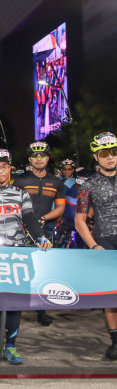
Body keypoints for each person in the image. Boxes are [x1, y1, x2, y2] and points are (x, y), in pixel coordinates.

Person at [0, 148, 52, 365]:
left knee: (15, 302)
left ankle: (10, 346)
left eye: (4, 167)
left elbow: (30, 219)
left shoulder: (21, 193)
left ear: (9, 170)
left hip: (16, 252)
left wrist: (40, 237)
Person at [13, 141, 65, 327]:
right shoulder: (20, 180)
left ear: (48, 158)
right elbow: (13, 204)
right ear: (29, 159)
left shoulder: (57, 182)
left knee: (43, 271)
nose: (38, 158)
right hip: (21, 229)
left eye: (42, 155)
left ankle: (41, 311)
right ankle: (12, 308)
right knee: (18, 269)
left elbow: (60, 208)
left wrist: (44, 218)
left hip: (46, 229)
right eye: (34, 156)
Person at [74, 132, 117, 359]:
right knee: (112, 295)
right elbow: (79, 220)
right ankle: (115, 341)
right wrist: (93, 246)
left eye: (114, 152)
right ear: (96, 157)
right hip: (105, 241)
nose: (110, 157)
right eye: (105, 153)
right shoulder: (87, 185)